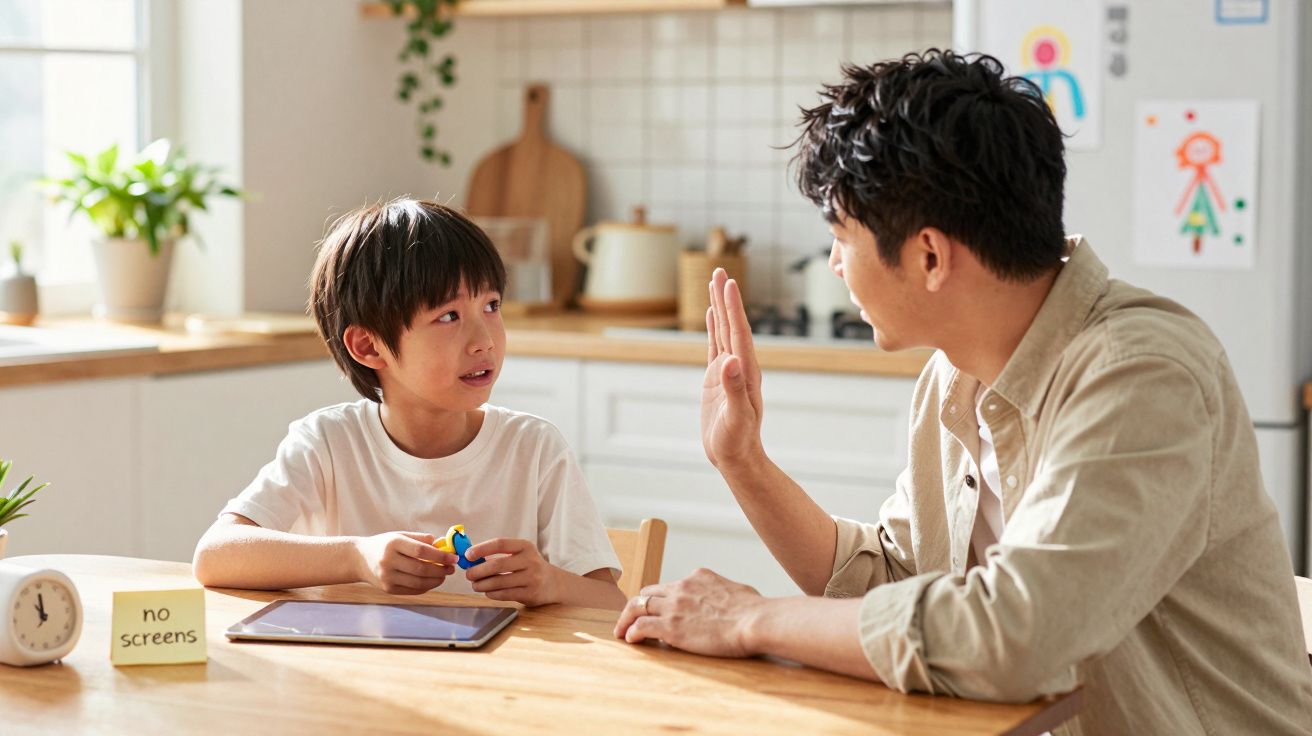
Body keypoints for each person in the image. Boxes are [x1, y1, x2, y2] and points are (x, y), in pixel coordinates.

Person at [614, 50, 1312, 734]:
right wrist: (744, 463)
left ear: (929, 256)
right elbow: (898, 586)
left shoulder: (1142, 374)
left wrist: (746, 619)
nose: (832, 265)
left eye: (840, 237)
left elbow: (1016, 636)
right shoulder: (954, 375)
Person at [194, 199, 624, 610]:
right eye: (449, 316)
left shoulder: (533, 448)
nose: (485, 340)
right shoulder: (326, 442)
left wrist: (550, 582)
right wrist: (356, 558)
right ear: (368, 346)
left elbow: (611, 604)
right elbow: (215, 555)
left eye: (491, 306)